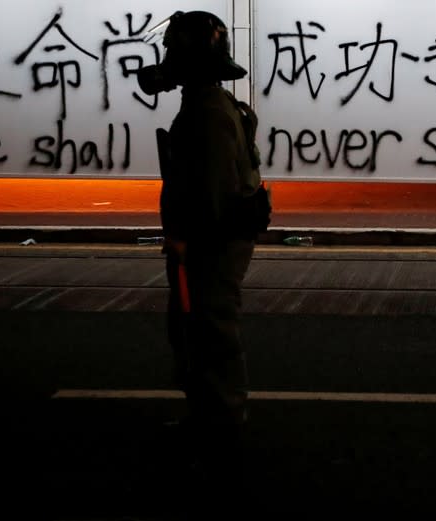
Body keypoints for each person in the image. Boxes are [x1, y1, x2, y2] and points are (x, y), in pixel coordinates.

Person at [136, 10, 270, 513]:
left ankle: (221, 436)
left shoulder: (207, 113)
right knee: (194, 330)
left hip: (210, 246)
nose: (165, 63)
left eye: (174, 52)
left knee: (209, 331)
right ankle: (208, 422)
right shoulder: (215, 105)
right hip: (213, 240)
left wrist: (185, 241)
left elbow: (211, 192)